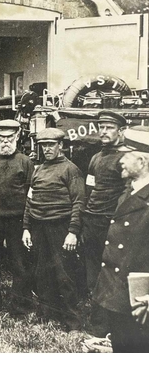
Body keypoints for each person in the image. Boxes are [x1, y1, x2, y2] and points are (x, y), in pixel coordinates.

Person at [22, 128, 86, 332]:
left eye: (51, 144)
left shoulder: (71, 169)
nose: (47, 149)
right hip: (39, 227)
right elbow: (29, 201)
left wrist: (73, 231)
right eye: (44, 145)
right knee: (42, 273)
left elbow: (78, 202)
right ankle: (47, 315)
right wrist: (26, 228)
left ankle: (72, 321)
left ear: (61, 146)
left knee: (64, 274)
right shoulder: (38, 169)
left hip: (60, 227)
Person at [93, 126, 149, 352]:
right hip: (118, 292)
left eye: (126, 156)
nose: (120, 161)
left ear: (143, 162)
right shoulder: (130, 191)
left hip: (139, 298)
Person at [0, 120, 34, 315]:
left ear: (17, 137)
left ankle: (20, 307)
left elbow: (30, 193)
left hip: (16, 220)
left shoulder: (25, 162)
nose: (5, 142)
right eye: (1, 138)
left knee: (19, 264)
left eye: (9, 138)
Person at [81, 110, 127, 337]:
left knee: (111, 274)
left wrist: (115, 220)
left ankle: (109, 327)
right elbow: (90, 189)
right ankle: (96, 323)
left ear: (121, 131)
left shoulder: (126, 158)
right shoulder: (96, 158)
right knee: (93, 273)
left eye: (109, 127)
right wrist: (86, 216)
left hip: (113, 223)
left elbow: (129, 196)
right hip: (92, 222)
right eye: (102, 127)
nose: (104, 131)